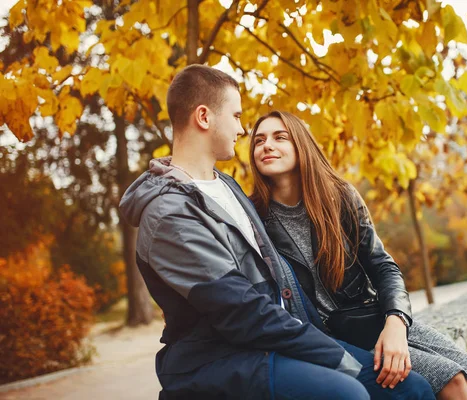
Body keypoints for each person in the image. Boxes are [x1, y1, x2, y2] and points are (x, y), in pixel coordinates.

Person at [119, 65, 433, 400]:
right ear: (204, 117)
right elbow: (240, 311)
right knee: (349, 393)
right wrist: (334, 355)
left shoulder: (225, 186)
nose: (242, 129)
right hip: (224, 356)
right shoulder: (168, 214)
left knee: (412, 390)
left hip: (282, 338)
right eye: (237, 116)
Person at [248, 110, 467, 400]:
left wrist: (396, 321)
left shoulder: (340, 197)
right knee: (455, 386)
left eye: (280, 137)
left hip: (375, 318)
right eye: (259, 140)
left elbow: (384, 267)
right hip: (335, 338)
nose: (266, 145)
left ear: (301, 146)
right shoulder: (253, 216)